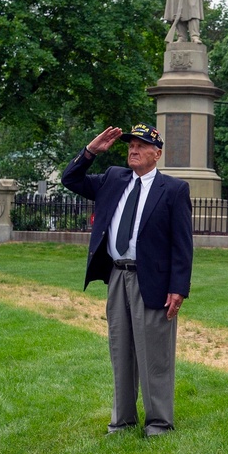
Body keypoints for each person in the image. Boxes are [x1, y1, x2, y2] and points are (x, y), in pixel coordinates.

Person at [61, 123, 193, 437]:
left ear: (157, 153)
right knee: (120, 350)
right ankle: (122, 420)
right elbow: (71, 179)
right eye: (131, 145)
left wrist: (178, 288)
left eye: (141, 146)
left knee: (154, 353)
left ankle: (159, 421)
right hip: (117, 276)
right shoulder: (113, 179)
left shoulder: (173, 190)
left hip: (154, 281)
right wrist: (91, 151)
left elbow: (182, 244)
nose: (133, 150)